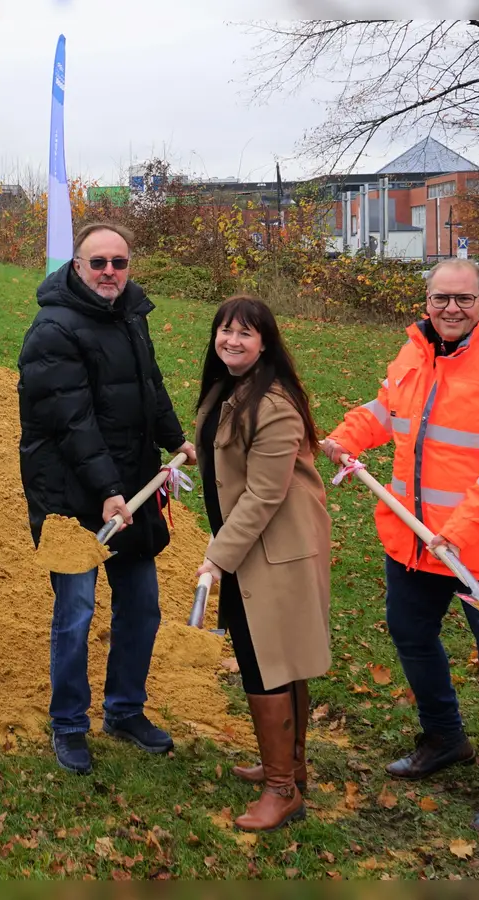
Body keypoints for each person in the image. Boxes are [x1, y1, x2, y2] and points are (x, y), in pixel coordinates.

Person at [323, 258, 479, 836]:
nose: (450, 309)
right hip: (413, 539)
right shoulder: (413, 353)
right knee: (410, 635)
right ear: (425, 302)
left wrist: (459, 528)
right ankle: (445, 737)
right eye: (440, 299)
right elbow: (387, 413)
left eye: (462, 299)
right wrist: (344, 436)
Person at [17, 222, 196, 774]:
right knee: (75, 612)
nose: (110, 272)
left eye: (119, 262)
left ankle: (123, 710)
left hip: (130, 492)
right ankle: (69, 723)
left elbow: (150, 386)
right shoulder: (52, 330)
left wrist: (176, 438)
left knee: (141, 606)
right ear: (77, 266)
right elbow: (72, 422)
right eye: (98, 263)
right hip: (72, 499)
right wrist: (106, 492)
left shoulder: (132, 316)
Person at [192, 296, 331, 832]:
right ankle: (289, 768)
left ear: (265, 342)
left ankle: (282, 789)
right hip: (253, 545)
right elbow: (225, 458)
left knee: (266, 659)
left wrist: (217, 557)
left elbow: (264, 495)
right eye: (224, 330)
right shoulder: (230, 389)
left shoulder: (272, 403)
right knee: (275, 656)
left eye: (245, 334)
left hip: (275, 551)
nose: (231, 340)